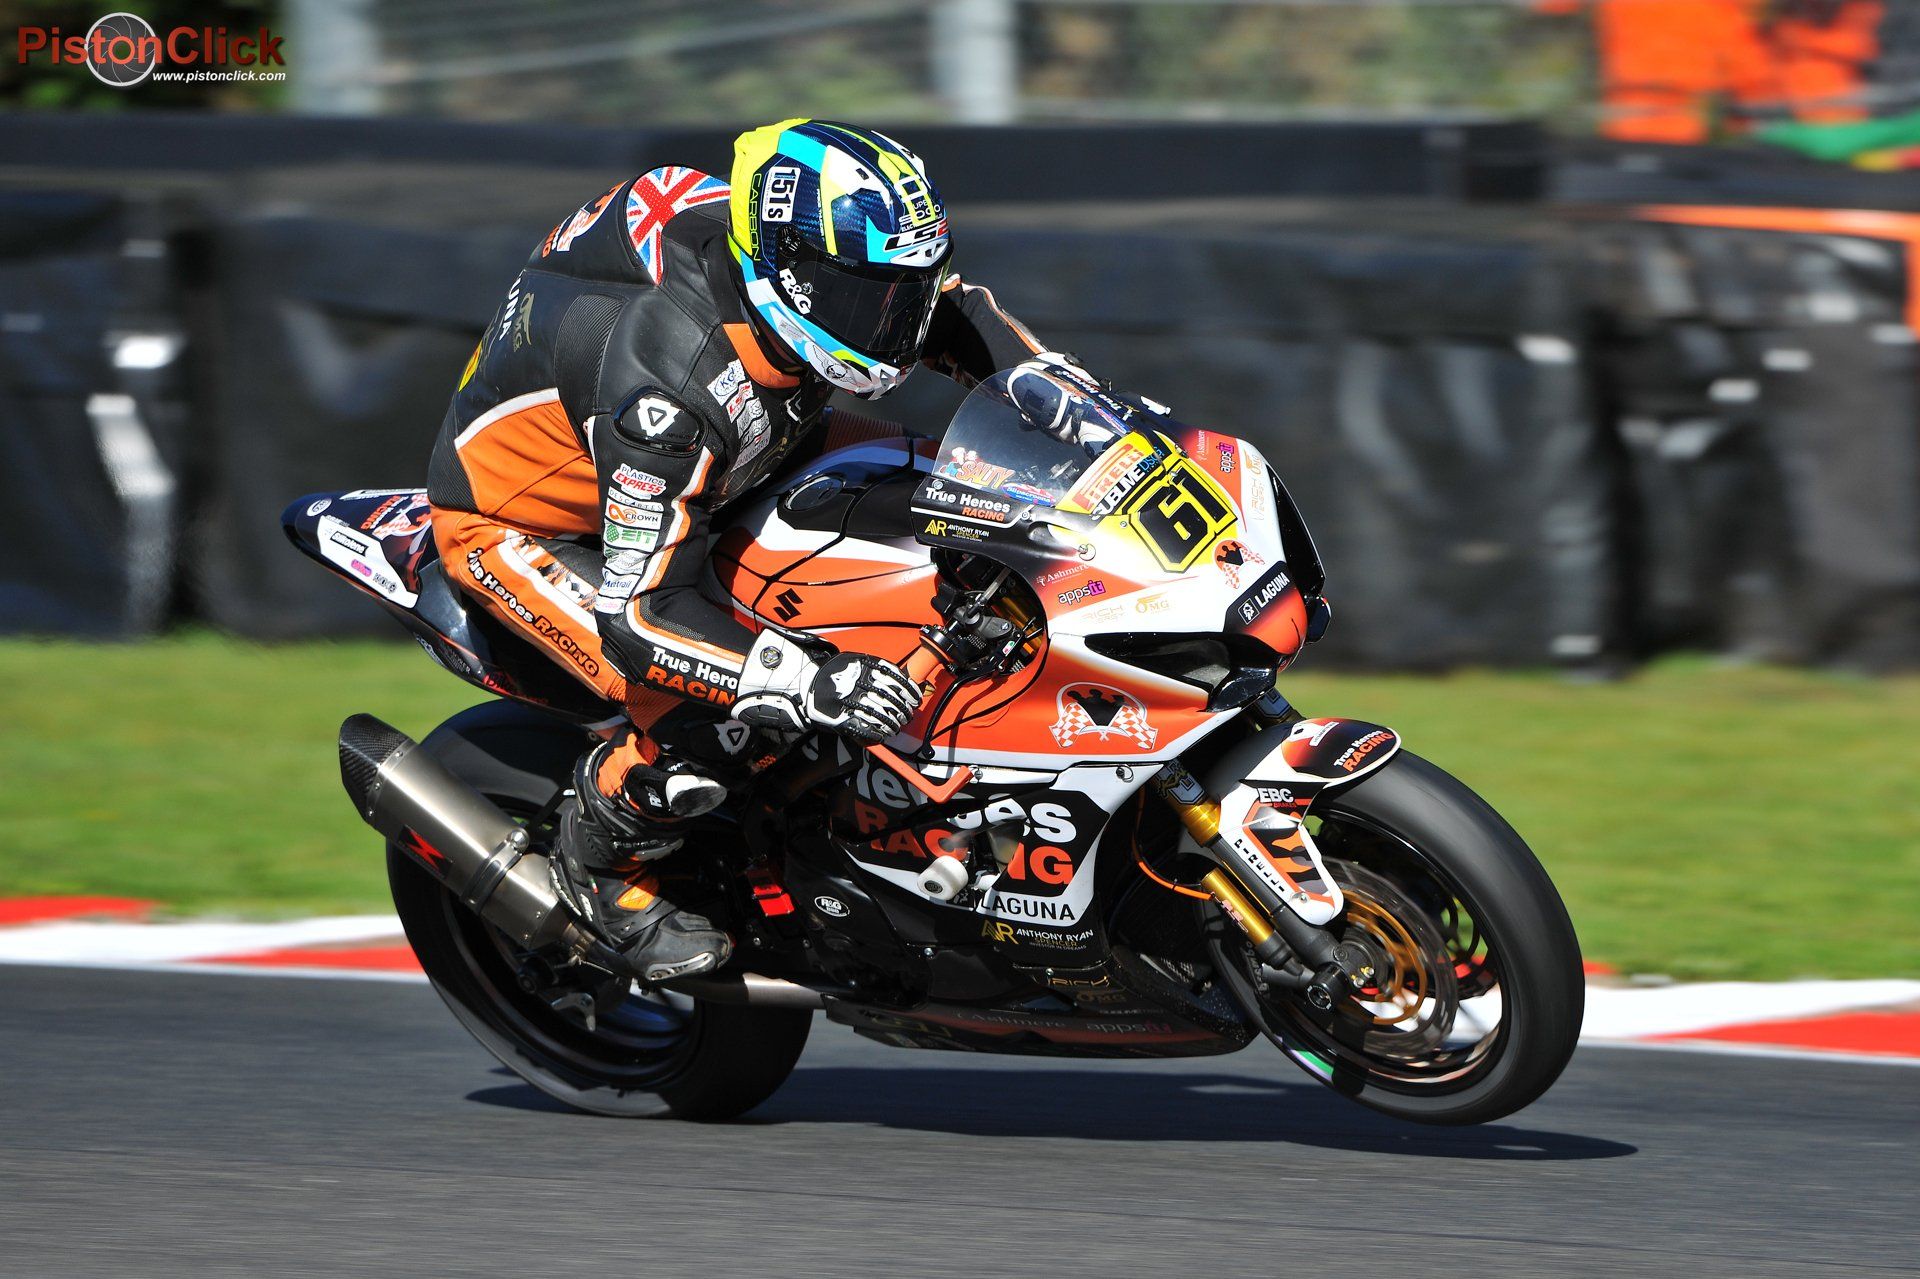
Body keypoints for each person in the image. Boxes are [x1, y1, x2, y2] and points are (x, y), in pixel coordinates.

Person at [426, 119, 1094, 982]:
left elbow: (951, 314)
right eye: (871, 300)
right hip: (535, 526)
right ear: (792, 277)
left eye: (903, 293)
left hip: (746, 451)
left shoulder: (797, 258)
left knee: (980, 504)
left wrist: (1067, 405)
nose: (895, 325)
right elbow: (640, 615)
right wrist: (808, 680)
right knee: (731, 713)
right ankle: (600, 860)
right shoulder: (666, 391)